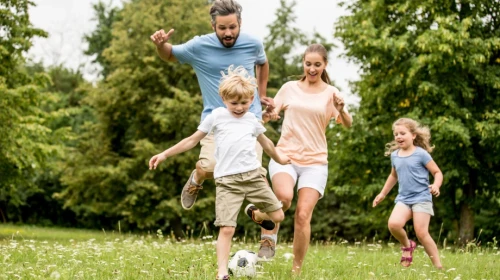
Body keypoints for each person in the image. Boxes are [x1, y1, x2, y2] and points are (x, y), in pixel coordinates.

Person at [149, 66, 289, 280]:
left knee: (278, 215)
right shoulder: (217, 117)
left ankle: (255, 213)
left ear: (251, 99)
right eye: (234, 103)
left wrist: (280, 158)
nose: (240, 108)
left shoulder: (252, 120)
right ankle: (222, 272)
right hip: (228, 182)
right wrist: (165, 154)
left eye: (244, 103)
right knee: (226, 229)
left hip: (253, 178)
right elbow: (191, 140)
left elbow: (267, 144)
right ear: (223, 99)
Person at [150, 0, 274, 211]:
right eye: (222, 28)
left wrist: (261, 93)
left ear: (240, 23)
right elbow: (169, 55)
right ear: (213, 26)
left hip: (249, 119)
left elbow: (262, 62)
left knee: (257, 176)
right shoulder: (199, 46)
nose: (228, 32)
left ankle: (267, 240)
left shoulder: (253, 43)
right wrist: (161, 45)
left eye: (232, 27)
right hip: (216, 122)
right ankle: (197, 177)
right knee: (210, 167)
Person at [251, 43, 353, 275]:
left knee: (303, 215)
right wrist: (270, 114)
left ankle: (296, 270)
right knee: (284, 199)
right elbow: (266, 117)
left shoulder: (331, 93)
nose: (312, 69)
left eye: (317, 64)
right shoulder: (289, 88)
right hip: (285, 155)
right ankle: (264, 228)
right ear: (304, 64)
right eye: (308, 64)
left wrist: (342, 109)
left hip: (315, 163)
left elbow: (347, 124)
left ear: (325, 65)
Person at [372, 118, 443, 269]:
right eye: (396, 134)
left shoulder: (421, 154)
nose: (398, 136)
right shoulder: (395, 156)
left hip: (422, 197)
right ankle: (407, 245)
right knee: (394, 224)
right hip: (404, 198)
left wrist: (436, 185)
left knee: (421, 233)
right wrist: (382, 194)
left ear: (413, 135)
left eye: (402, 133)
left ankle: (438, 267)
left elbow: (437, 172)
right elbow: (393, 176)